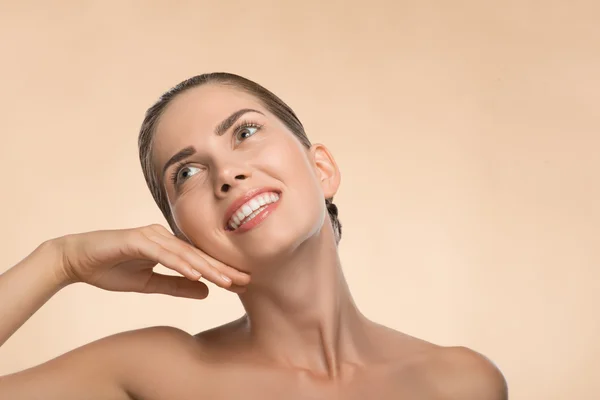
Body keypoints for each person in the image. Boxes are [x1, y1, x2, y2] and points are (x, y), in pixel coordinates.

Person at [0, 72, 508, 399]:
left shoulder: (461, 382)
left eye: (244, 132)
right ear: (182, 236)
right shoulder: (156, 373)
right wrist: (59, 262)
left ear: (321, 168)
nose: (226, 173)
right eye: (187, 173)